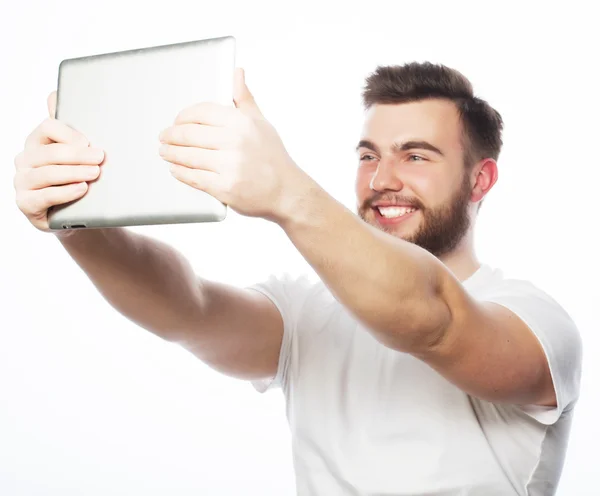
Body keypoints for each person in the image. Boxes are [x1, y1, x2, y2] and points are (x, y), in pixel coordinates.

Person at [14, 62, 582, 495]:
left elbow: (434, 321)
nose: (382, 178)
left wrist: (286, 191)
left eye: (416, 156)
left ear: (480, 180)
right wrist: (77, 221)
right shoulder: (309, 312)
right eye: (368, 154)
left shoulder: (537, 321)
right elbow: (187, 308)